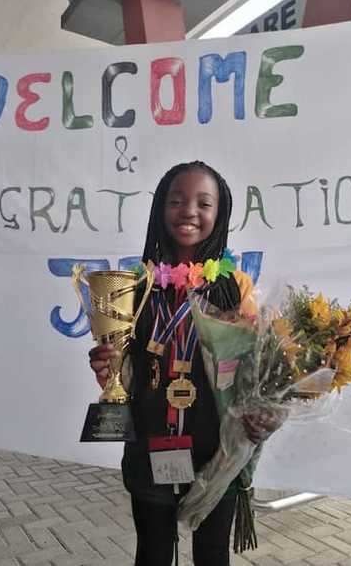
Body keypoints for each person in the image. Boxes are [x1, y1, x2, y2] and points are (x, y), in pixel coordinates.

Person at [88, 161, 279, 566]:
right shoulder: (136, 286)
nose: (188, 210)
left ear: (220, 213)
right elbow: (125, 368)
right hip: (150, 444)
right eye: (176, 200)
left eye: (203, 202)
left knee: (212, 556)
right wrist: (108, 367)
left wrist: (266, 409)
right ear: (160, 210)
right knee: (153, 554)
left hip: (216, 453)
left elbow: (253, 372)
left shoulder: (235, 287)